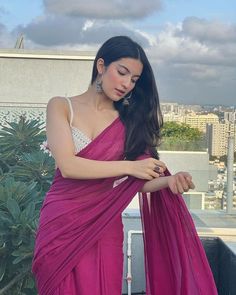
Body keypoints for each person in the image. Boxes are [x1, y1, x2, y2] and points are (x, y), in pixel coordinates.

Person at [32, 36, 218, 295]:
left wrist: (169, 180)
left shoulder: (129, 122)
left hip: (106, 224)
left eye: (134, 80)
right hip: (61, 221)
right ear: (101, 66)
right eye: (122, 72)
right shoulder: (62, 106)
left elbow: (137, 182)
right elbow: (68, 166)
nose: (127, 84)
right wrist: (130, 167)